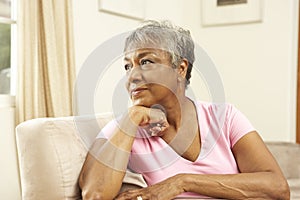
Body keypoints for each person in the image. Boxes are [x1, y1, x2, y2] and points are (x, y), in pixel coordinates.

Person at [79, 20, 290, 200]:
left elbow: (277, 188)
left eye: (146, 62)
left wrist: (182, 182)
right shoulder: (124, 128)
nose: (132, 76)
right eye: (127, 66)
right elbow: (95, 194)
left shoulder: (225, 117)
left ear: (180, 68)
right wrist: (132, 117)